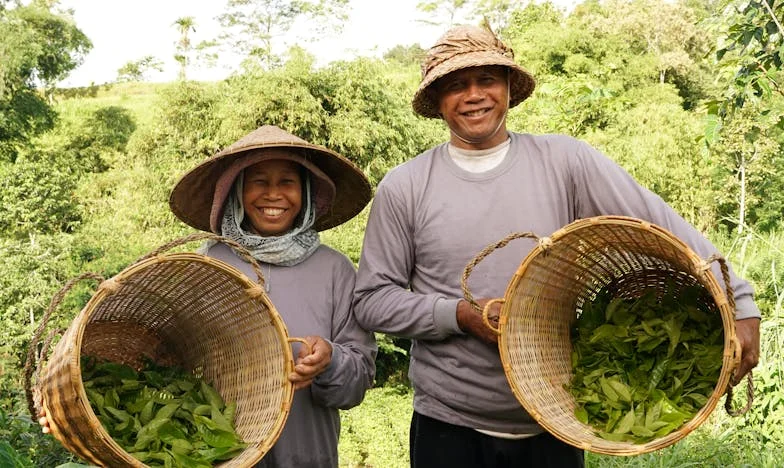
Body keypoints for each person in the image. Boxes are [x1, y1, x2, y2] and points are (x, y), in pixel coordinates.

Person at [352, 24, 761, 468]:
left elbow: (658, 222)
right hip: (449, 425)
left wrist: (740, 301)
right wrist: (461, 315)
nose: (473, 95)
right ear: (437, 102)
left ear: (508, 87)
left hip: (558, 417)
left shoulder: (565, 161)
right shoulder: (405, 186)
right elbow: (373, 302)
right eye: (455, 85)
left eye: (487, 79)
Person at [41, 125, 377, 468]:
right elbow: (160, 352)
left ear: (305, 192)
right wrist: (67, 406)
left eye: (287, 182)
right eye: (258, 181)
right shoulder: (206, 266)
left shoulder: (335, 271)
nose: (273, 194)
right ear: (236, 191)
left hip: (306, 454)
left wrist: (330, 361)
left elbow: (358, 380)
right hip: (213, 456)